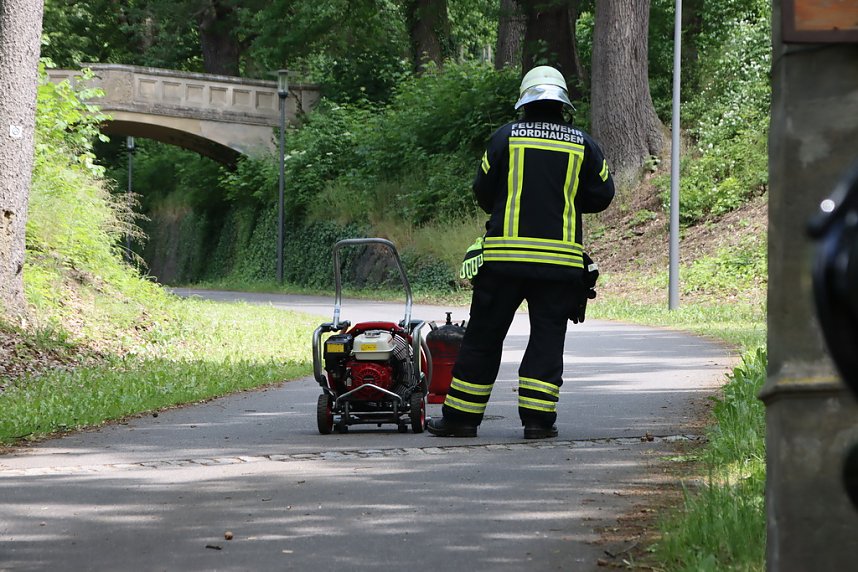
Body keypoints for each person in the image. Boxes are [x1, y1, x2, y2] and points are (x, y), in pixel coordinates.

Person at [427, 65, 615, 439]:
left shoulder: (504, 138)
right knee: (547, 339)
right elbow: (603, 195)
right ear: (563, 105)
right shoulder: (583, 144)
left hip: (503, 263)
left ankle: (461, 420)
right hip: (558, 266)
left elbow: (482, 190)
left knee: (483, 336)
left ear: (525, 103)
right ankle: (537, 422)